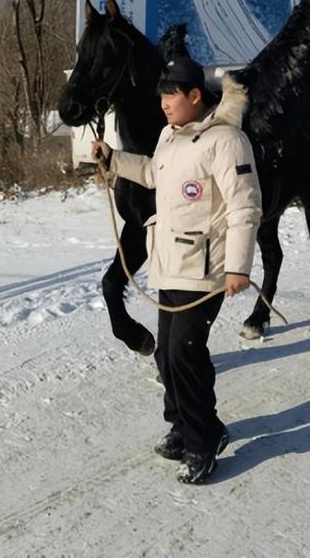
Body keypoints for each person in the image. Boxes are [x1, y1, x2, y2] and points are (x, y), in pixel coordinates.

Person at [92, 57, 262, 484]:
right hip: (169, 264)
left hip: (205, 268)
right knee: (168, 355)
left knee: (185, 352)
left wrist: (238, 266)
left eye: (171, 94)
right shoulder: (170, 135)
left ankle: (203, 441)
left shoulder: (226, 140)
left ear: (195, 95)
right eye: (162, 95)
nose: (164, 103)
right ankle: (183, 424)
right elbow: (152, 173)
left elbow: (245, 206)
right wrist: (113, 158)